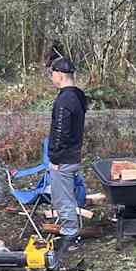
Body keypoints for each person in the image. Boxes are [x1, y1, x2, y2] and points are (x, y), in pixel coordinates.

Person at [47, 56, 87, 250]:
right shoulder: (78, 95)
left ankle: (70, 237)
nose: (51, 77)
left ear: (60, 75)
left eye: (53, 74)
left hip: (63, 158)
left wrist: (55, 157)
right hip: (73, 154)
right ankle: (70, 232)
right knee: (66, 197)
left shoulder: (65, 100)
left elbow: (61, 131)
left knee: (63, 199)